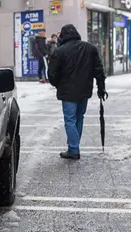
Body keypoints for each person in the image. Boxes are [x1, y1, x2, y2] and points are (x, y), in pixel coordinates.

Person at [47, 24, 107, 160]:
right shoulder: (90, 48)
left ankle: (73, 149)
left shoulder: (60, 51)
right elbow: (99, 69)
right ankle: (74, 147)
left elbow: (51, 73)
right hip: (84, 91)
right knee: (79, 117)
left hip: (68, 92)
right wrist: (101, 87)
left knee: (69, 119)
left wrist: (58, 84)